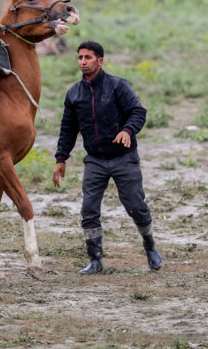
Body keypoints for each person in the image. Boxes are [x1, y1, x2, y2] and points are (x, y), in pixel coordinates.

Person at [52, 40, 162, 275]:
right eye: (80, 57)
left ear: (100, 61)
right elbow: (68, 129)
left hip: (124, 157)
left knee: (136, 206)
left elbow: (138, 112)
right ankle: (95, 259)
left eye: (88, 57)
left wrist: (127, 130)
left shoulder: (117, 86)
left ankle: (150, 245)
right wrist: (61, 158)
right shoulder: (74, 93)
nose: (83, 62)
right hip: (95, 160)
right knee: (89, 210)